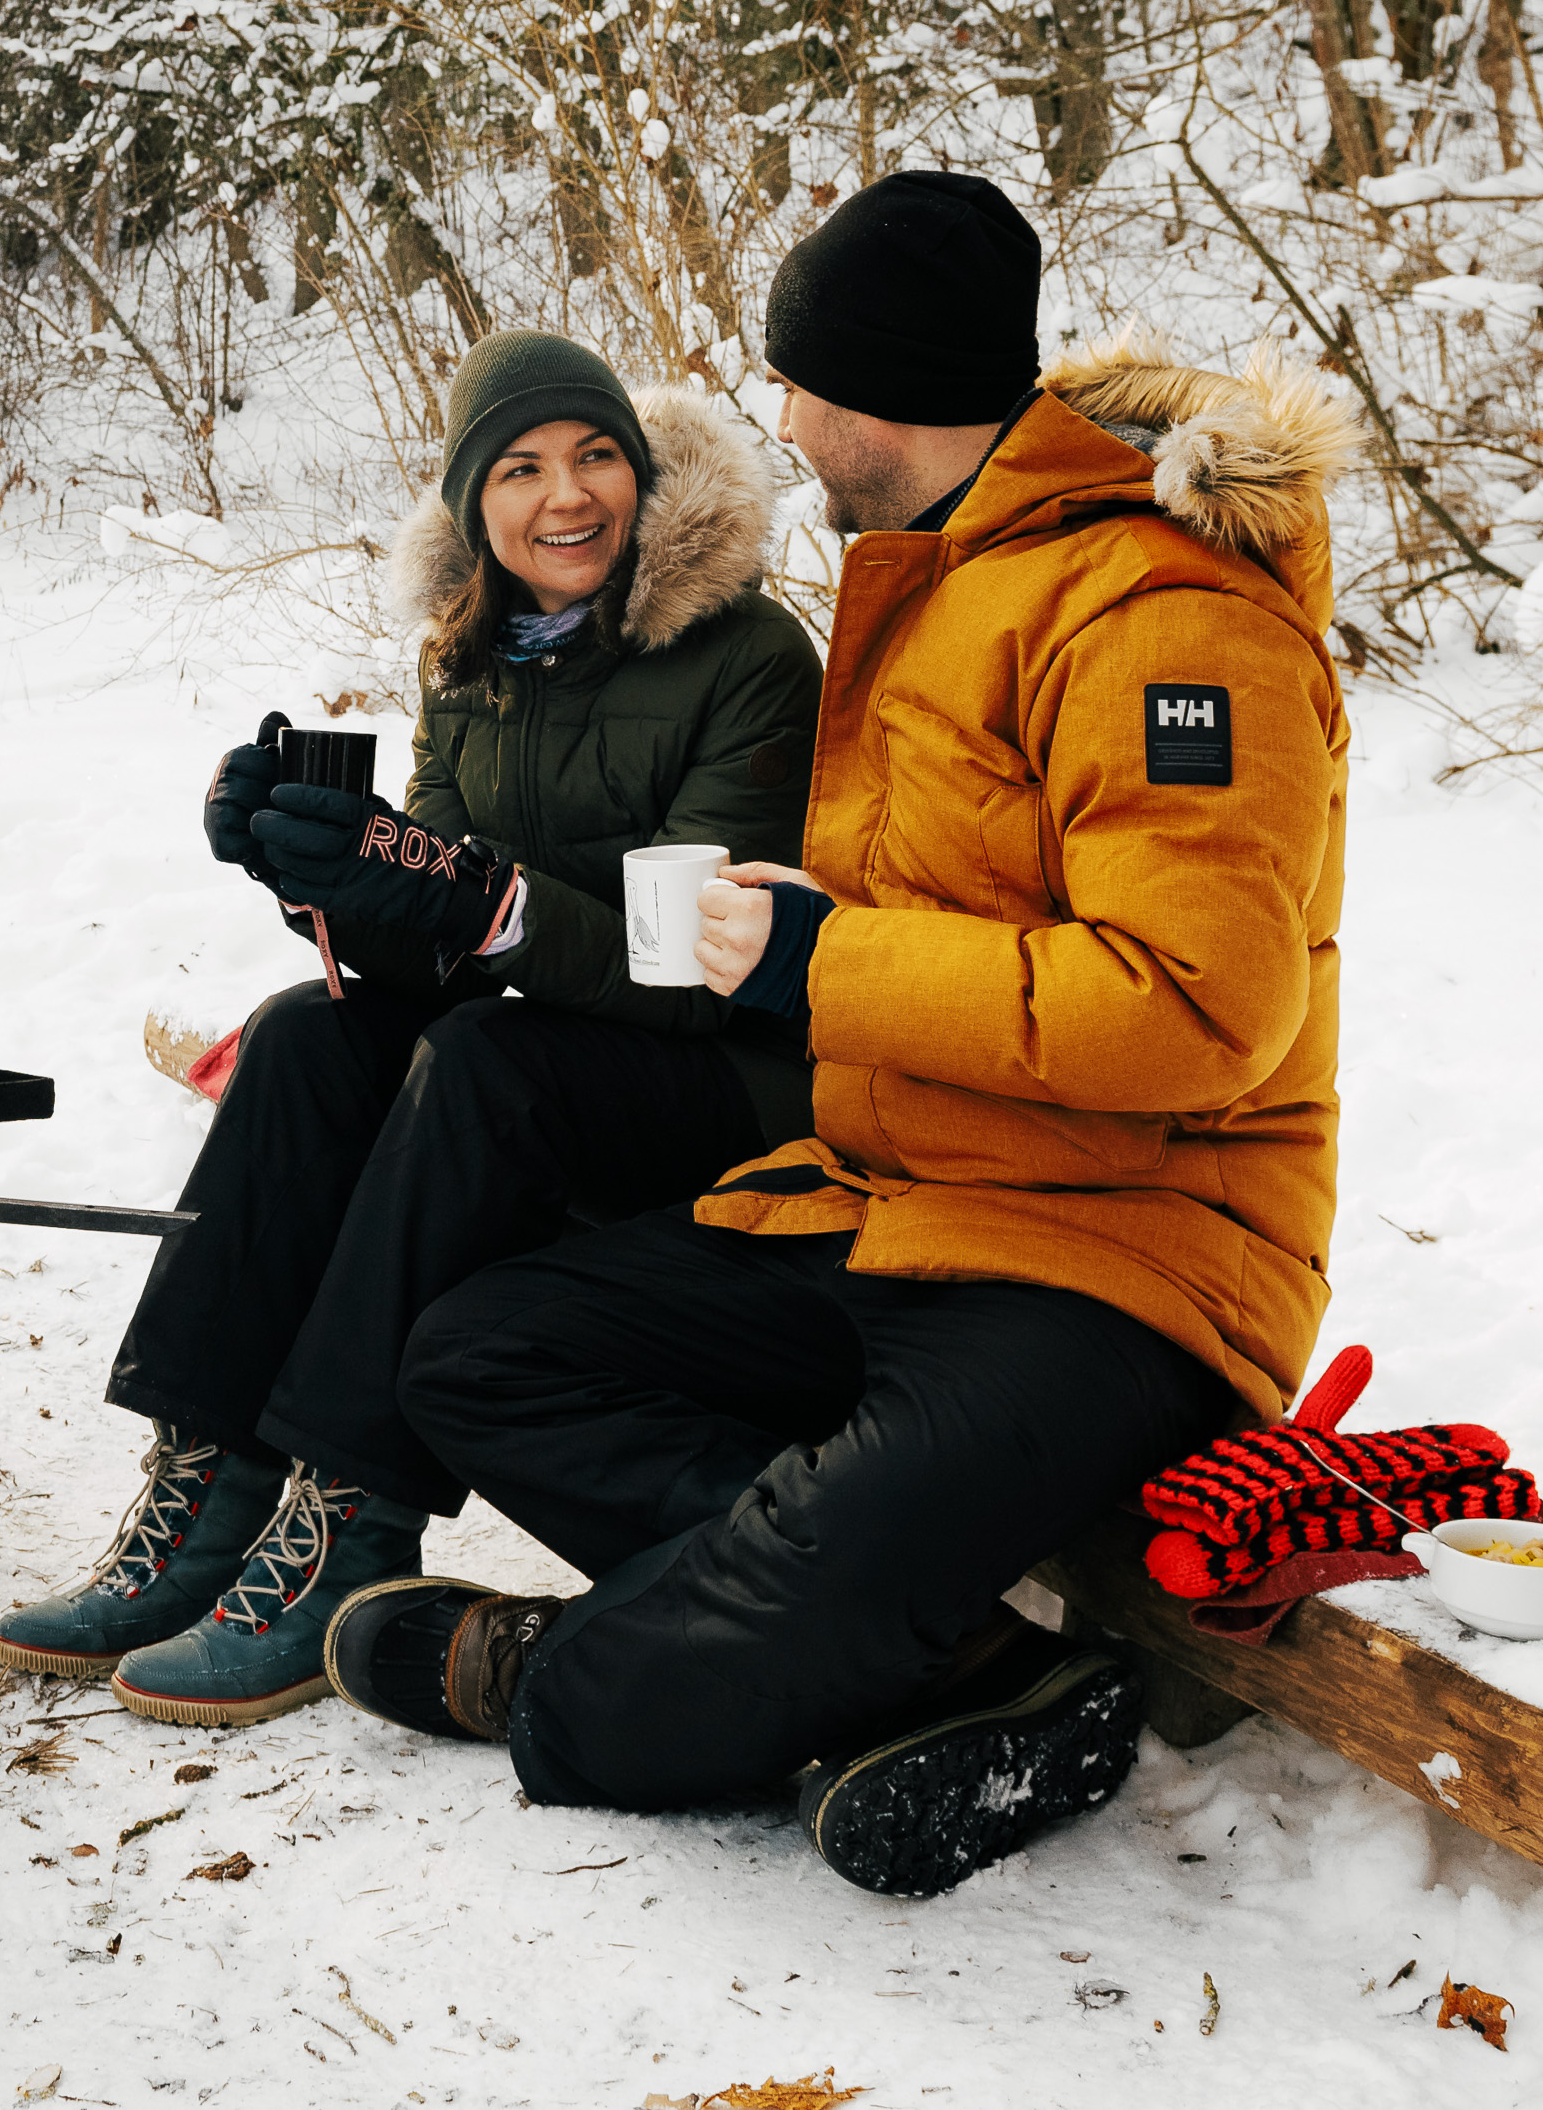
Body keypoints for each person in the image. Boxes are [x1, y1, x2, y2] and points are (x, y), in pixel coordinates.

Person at [315, 170, 1359, 1897]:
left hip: (1119, 1256)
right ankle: (949, 1653)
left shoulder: (1165, 620)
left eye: (791, 381)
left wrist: (824, 962)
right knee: (481, 1353)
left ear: (869, 389)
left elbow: (1196, 1014)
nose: (775, 420)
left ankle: (582, 1674)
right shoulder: (948, 580)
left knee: (645, 1710)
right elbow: (953, 910)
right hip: (900, 1199)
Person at [0, 329, 823, 1725]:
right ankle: (206, 1500)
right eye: (522, 468)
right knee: (308, 1035)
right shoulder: (469, 656)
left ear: (640, 470)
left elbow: (689, 960)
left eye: (596, 455)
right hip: (553, 1055)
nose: (568, 498)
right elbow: (420, 938)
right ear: (468, 504)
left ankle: (346, 1531)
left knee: (480, 1062)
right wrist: (309, 868)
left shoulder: (745, 654)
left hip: (723, 1086)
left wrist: (475, 897)